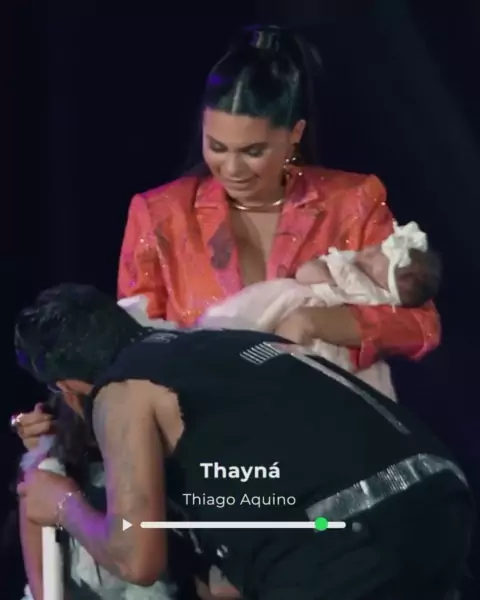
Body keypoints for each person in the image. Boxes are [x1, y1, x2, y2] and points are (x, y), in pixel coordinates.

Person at [12, 24, 439, 449]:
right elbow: (128, 348)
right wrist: (58, 418)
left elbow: (420, 325)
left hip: (332, 432)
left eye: (253, 152)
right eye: (217, 147)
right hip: (212, 444)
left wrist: (313, 322)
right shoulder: (160, 215)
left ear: (294, 135)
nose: (232, 169)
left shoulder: (351, 201)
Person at [15, 284, 473, 600]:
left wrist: (62, 503)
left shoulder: (120, 391)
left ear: (68, 389)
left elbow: (136, 558)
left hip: (343, 541)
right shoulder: (228, 343)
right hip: (441, 499)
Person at [200, 221, 441, 400]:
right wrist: (325, 281)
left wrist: (329, 320)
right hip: (292, 302)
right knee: (248, 326)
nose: (368, 252)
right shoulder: (346, 263)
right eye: (376, 249)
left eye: (375, 261)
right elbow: (306, 273)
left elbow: (422, 326)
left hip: (335, 342)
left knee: (326, 380)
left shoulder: (382, 300)